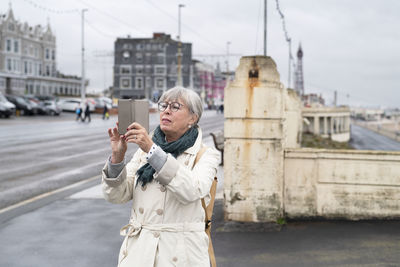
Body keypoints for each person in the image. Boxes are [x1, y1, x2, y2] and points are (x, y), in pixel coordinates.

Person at [101, 86, 220, 267]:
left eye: (175, 106)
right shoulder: (144, 153)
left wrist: (152, 151)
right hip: (139, 254)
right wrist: (117, 158)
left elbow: (192, 191)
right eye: (163, 105)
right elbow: (116, 196)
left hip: (180, 256)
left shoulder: (206, 155)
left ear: (193, 118)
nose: (166, 111)